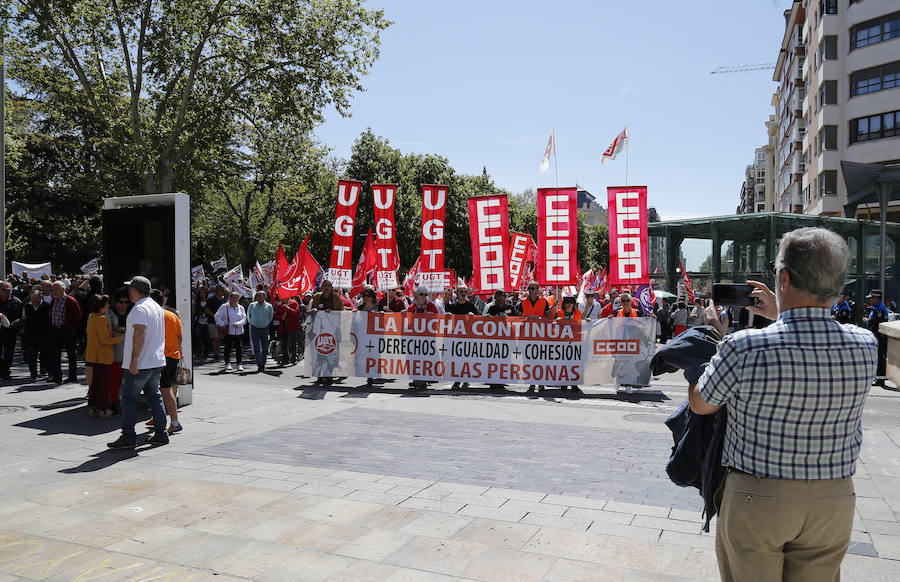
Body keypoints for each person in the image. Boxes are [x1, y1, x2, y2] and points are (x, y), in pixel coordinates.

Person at [689, 227, 877, 582]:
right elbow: (808, 342)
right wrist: (783, 313)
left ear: (784, 278)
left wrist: (714, 338)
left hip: (757, 498)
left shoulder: (743, 347)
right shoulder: (865, 345)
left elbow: (701, 403)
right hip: (832, 499)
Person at [107, 276, 169, 449]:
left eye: (130, 289)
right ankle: (161, 434)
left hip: (141, 363)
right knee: (155, 398)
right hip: (156, 361)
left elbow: (140, 334)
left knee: (128, 398)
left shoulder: (139, 309)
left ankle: (128, 437)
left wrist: (134, 360)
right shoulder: (156, 307)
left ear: (134, 290)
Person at [148, 289, 183, 433]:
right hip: (173, 356)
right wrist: (179, 351)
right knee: (164, 390)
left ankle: (175, 422)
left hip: (161, 357)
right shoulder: (173, 315)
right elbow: (179, 336)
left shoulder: (154, 316)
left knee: (165, 390)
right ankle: (158, 417)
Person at [84, 294, 123, 416]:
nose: (109, 306)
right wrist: (120, 338)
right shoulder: (102, 319)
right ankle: (103, 409)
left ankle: (93, 407)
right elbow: (105, 340)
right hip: (103, 356)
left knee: (95, 384)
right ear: (101, 306)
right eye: (107, 304)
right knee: (104, 385)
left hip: (93, 355)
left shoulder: (91, 317)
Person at [48, 280, 82, 384]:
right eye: (53, 290)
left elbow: (78, 316)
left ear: (63, 289)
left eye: (56, 289)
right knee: (55, 354)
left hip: (67, 330)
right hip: (55, 330)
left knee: (71, 354)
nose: (54, 292)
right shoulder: (53, 301)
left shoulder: (70, 300)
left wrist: (71, 328)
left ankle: (72, 376)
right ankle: (56, 376)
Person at [105, 288, 130, 412]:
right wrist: (124, 330)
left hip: (129, 354)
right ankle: (114, 403)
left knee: (127, 381)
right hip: (115, 354)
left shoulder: (131, 313)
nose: (124, 305)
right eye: (121, 302)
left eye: (126, 302)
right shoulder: (109, 314)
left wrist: (118, 329)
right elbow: (109, 330)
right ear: (115, 302)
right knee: (114, 380)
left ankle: (125, 402)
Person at [555, 295, 583, 394]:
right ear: (564, 303)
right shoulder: (559, 313)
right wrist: (556, 322)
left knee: (574, 364)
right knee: (563, 363)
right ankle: (563, 383)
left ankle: (574, 384)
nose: (569, 304)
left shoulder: (578, 313)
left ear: (574, 304)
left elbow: (580, 326)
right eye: (567, 302)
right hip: (562, 343)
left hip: (574, 342)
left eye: (571, 302)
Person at [23, 286, 50, 381]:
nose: (33, 300)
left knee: (45, 355)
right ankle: (33, 374)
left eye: (36, 298)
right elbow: (24, 320)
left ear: (40, 297)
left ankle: (46, 371)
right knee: (32, 355)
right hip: (31, 334)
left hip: (44, 334)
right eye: (32, 298)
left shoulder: (46, 306)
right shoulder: (27, 306)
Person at [215, 291, 247, 372]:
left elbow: (244, 319)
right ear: (230, 298)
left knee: (239, 348)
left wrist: (238, 323)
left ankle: (239, 364)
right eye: (233, 297)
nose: (235, 299)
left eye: (236, 297)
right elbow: (217, 316)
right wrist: (222, 324)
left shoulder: (241, 308)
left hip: (238, 331)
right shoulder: (224, 307)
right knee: (227, 348)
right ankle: (227, 363)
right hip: (228, 331)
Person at [865, 289, 890, 388]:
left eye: (871, 298)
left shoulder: (880, 310)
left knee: (880, 358)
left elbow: (878, 326)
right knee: (876, 358)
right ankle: (878, 378)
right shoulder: (875, 308)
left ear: (876, 298)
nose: (870, 300)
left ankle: (880, 380)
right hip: (875, 337)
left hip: (879, 337)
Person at [0, 282, 23, 380]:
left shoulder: (17, 302)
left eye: (10, 290)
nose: (7, 292)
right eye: (5, 290)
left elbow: (20, 317)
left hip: (10, 331)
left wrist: (16, 325)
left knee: (9, 352)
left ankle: (5, 371)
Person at [247, 290, 274, 372]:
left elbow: (270, 317)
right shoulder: (252, 305)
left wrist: (265, 324)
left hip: (265, 329)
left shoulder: (269, 306)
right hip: (254, 328)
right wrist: (252, 323)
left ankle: (263, 362)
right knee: (256, 347)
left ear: (265, 297)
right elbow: (249, 316)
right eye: (258, 295)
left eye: (262, 295)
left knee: (265, 347)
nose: (260, 297)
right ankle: (259, 364)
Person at [275, 294, 302, 365]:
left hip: (292, 326)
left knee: (292, 343)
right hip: (283, 326)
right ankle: (285, 359)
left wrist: (288, 309)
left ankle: (293, 358)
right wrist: (281, 316)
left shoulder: (294, 303)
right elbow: (276, 315)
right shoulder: (279, 304)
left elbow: (296, 313)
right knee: (284, 343)